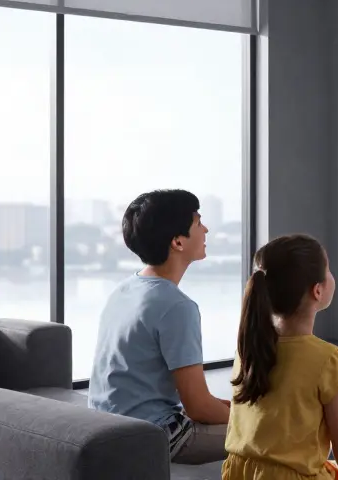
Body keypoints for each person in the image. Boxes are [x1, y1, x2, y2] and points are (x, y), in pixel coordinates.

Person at [223, 234, 338, 480]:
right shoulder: (329, 359)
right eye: (328, 269)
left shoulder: (247, 348)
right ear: (317, 290)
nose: (332, 275)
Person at [88, 189, 231, 464]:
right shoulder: (177, 306)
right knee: (276, 431)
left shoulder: (124, 290)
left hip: (105, 423)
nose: (206, 229)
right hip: (155, 436)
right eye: (198, 223)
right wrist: (248, 418)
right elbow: (198, 406)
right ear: (178, 241)